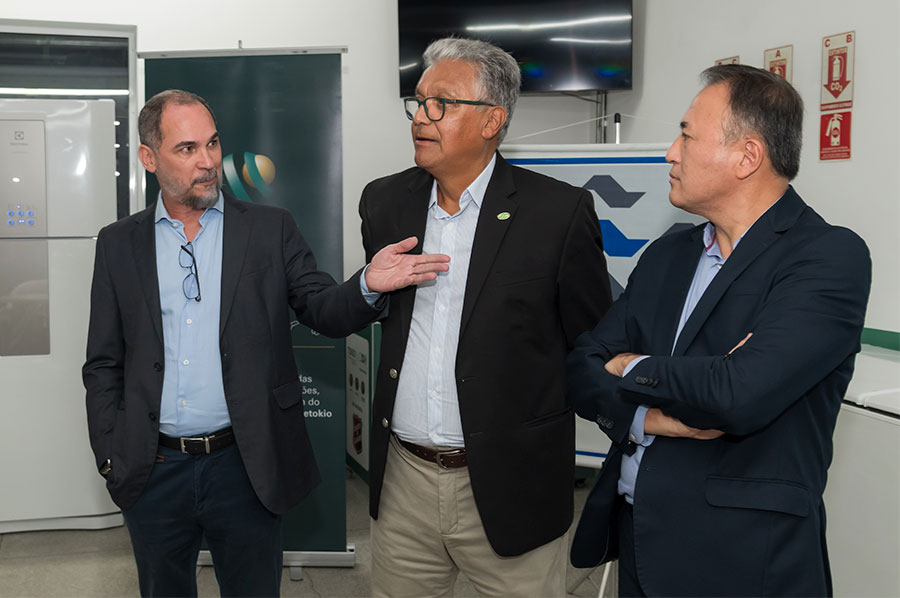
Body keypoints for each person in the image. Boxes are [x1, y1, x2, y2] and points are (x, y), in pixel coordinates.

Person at [82, 89, 449, 597]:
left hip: (244, 465)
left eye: (212, 143)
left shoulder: (269, 229)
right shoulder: (118, 242)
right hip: (152, 468)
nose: (208, 161)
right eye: (187, 148)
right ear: (149, 158)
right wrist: (110, 455)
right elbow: (103, 362)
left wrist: (367, 284)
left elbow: (321, 307)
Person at [568, 65, 871, 596]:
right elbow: (581, 366)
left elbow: (738, 394)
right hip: (638, 541)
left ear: (747, 156)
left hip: (743, 560)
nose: (670, 153)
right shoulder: (669, 254)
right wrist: (648, 417)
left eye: (686, 136)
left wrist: (631, 366)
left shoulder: (827, 256)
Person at [359, 38, 612, 596]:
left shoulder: (557, 213)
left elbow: (593, 342)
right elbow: (377, 309)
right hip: (404, 481)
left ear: (492, 120)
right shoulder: (384, 203)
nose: (420, 118)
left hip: (513, 482)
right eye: (418, 102)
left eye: (441, 104)